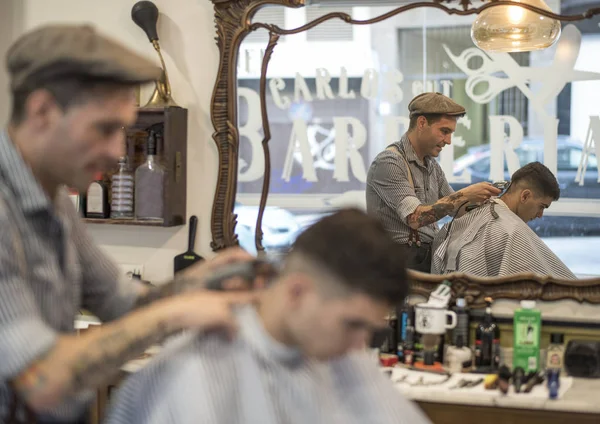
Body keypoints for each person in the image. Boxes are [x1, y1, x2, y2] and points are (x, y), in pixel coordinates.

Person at [0, 24, 261, 423]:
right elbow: (40, 380)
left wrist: (200, 283)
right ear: (42, 112)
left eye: (122, 131)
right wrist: (177, 313)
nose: (117, 152)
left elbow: (124, 303)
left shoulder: (55, 203)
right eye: (104, 129)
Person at [105, 209, 432, 424]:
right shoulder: (191, 374)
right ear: (297, 292)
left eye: (370, 331)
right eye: (353, 325)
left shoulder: (341, 359)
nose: (359, 345)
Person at [366, 92, 502, 272]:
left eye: (450, 133)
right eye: (444, 131)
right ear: (422, 123)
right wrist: (465, 195)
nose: (448, 141)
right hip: (398, 263)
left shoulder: (431, 166)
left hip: (426, 255)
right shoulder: (389, 162)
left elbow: (458, 209)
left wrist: (492, 203)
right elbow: (416, 218)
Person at [431, 162, 576, 279]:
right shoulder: (511, 229)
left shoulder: (479, 213)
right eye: (541, 206)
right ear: (524, 196)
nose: (540, 215)